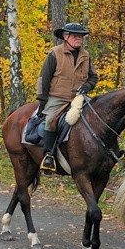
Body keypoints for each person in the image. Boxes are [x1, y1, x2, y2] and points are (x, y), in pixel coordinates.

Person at [36, 22, 98, 171]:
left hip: (79, 98)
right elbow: (43, 79)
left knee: (97, 115)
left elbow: (93, 77)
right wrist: (42, 103)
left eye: (81, 36)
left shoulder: (85, 55)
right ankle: (48, 156)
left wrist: (87, 86)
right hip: (57, 97)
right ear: (65, 36)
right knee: (51, 120)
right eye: (76, 36)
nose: (79, 39)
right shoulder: (54, 53)